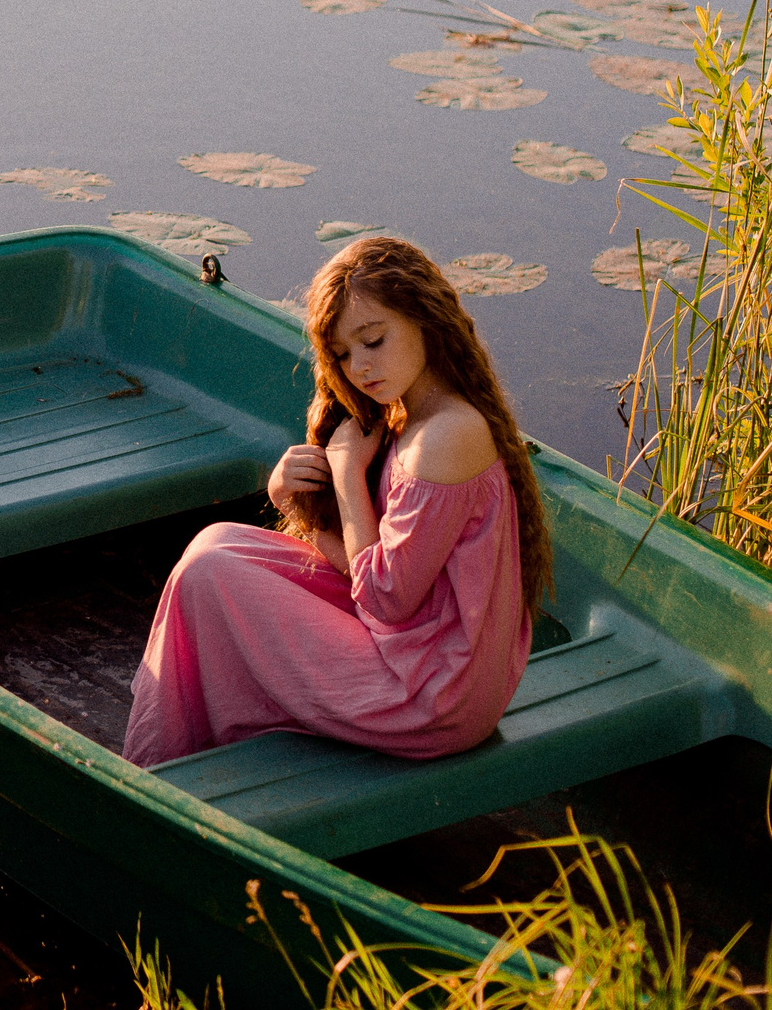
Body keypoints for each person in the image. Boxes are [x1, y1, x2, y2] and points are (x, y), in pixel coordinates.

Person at [120, 236, 553, 767]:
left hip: (434, 696)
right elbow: (379, 566)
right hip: (421, 651)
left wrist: (347, 472)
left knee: (210, 577)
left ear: (426, 319)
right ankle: (174, 751)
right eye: (344, 355)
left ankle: (158, 766)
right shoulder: (408, 412)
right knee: (216, 544)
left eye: (373, 340)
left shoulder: (446, 437)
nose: (360, 369)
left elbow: (386, 598)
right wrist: (292, 500)